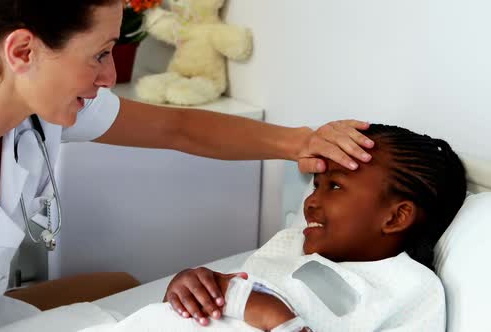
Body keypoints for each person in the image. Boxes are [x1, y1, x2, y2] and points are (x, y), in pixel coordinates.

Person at [0, 0, 373, 331]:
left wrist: (301, 142)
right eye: (100, 54)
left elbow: (178, 130)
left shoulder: (35, 109)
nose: (110, 76)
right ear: (23, 51)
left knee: (121, 287)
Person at [158, 124, 466, 331]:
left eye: (334, 187)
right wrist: (190, 289)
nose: (311, 202)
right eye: (316, 185)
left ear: (396, 217)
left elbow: (254, 303)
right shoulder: (290, 245)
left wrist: (273, 316)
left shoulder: (409, 288)